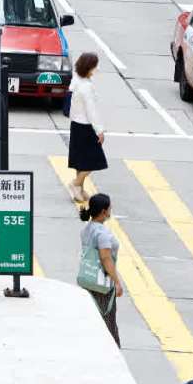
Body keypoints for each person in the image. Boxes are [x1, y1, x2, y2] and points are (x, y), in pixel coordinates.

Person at [78, 192, 124, 345]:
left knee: (91, 318)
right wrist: (117, 282)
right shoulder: (102, 234)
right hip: (102, 284)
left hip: (88, 279)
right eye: (110, 208)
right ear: (104, 211)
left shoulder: (86, 229)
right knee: (108, 323)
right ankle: (112, 350)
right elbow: (106, 258)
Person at [66, 53, 107, 203]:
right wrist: (99, 131)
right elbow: (91, 112)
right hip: (86, 126)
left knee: (80, 161)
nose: (96, 69)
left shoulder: (76, 80)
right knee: (95, 160)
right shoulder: (86, 87)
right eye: (95, 66)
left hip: (75, 125)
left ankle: (80, 191)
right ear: (89, 68)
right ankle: (75, 184)